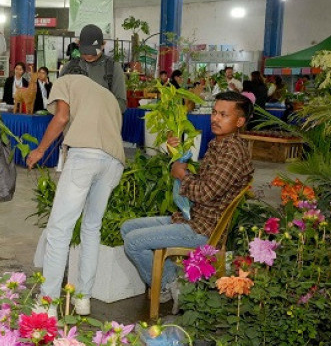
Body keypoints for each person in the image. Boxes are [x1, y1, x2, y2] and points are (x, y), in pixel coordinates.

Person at [122, 92, 254, 308]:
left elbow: (204, 191)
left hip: (202, 230)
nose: (215, 118)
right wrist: (178, 154)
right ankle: (172, 282)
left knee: (133, 242)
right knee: (127, 228)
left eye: (224, 115)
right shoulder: (221, 144)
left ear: (240, 121)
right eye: (214, 112)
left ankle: (174, 283)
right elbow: (205, 182)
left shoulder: (232, 152)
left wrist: (182, 175)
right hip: (192, 218)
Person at [26, 75, 126, 317]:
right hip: (114, 161)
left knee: (59, 230)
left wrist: (40, 150)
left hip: (86, 156)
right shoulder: (106, 95)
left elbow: (61, 117)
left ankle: (47, 303)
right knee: (92, 229)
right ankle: (83, 299)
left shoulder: (66, 81)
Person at [59, 24, 127, 113]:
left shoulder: (113, 68)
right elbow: (58, 99)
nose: (89, 56)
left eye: (94, 52)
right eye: (85, 52)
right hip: (74, 124)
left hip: (102, 123)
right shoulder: (68, 68)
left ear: (103, 45)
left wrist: (97, 109)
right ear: (78, 44)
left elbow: (121, 104)